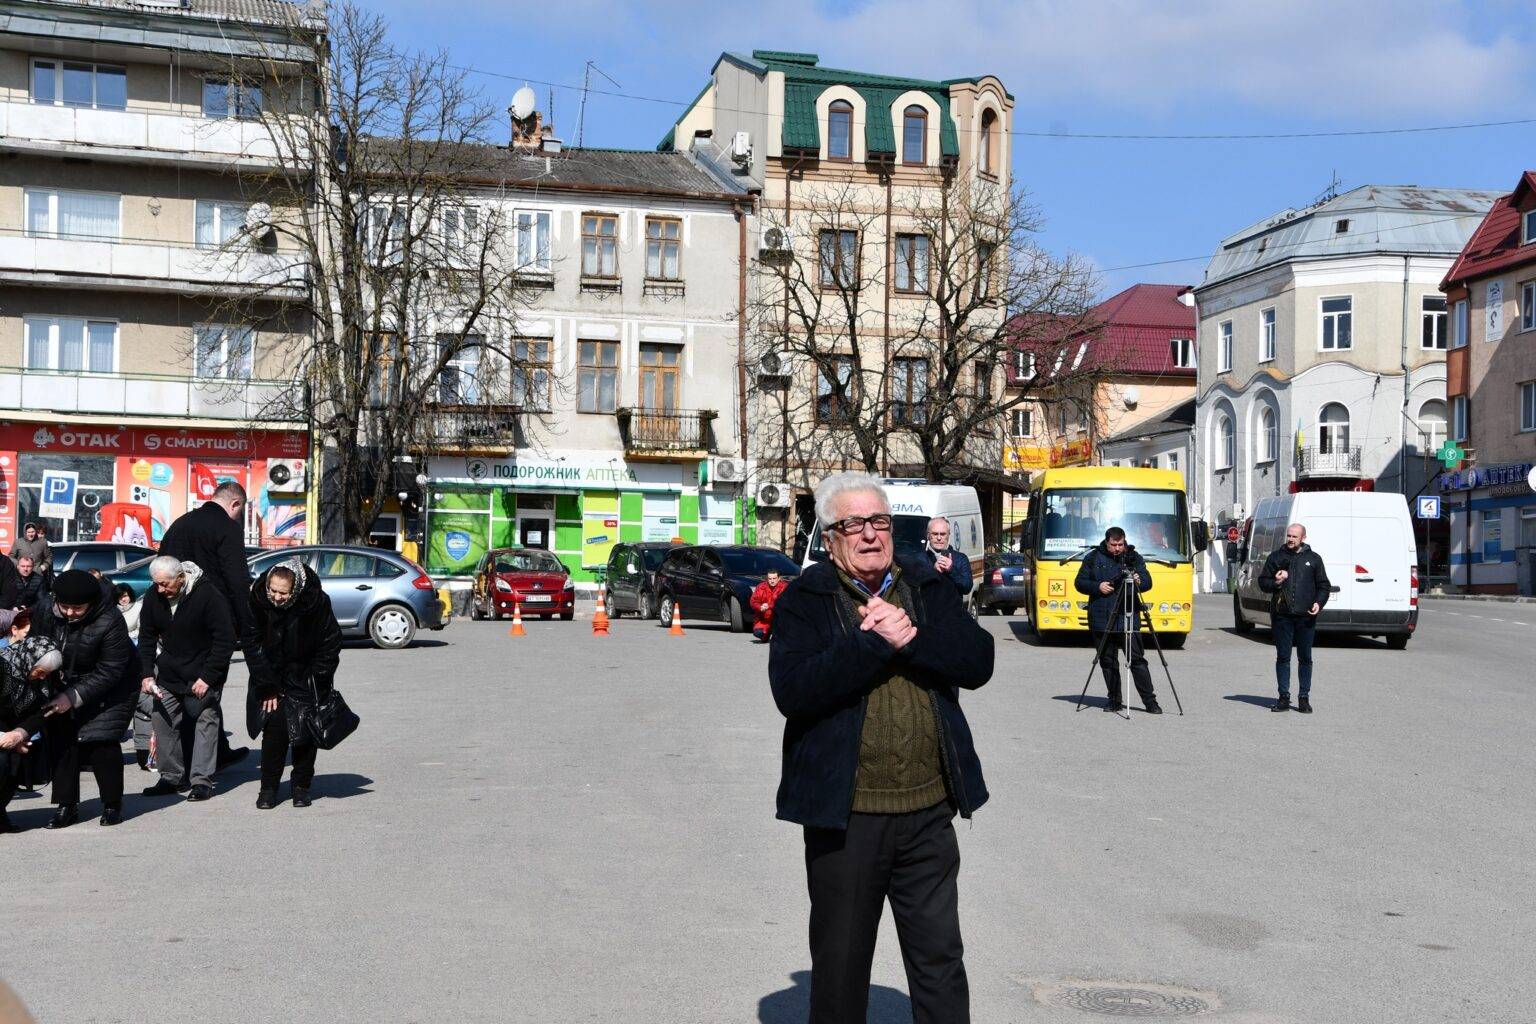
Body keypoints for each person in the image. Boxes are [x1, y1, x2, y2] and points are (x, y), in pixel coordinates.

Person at [769, 471, 994, 1024]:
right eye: (854, 524)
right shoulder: (806, 599)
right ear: (830, 538)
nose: (870, 534)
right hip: (846, 820)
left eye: (880, 521)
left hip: (927, 814)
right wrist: (873, 643)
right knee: (841, 967)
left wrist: (910, 638)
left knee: (940, 962)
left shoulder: (924, 586)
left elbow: (977, 661)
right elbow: (794, 691)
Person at [30, 569, 136, 828]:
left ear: (91, 603)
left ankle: (112, 804)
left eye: (77, 608)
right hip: (61, 678)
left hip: (112, 684)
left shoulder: (110, 619)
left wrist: (72, 697)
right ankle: (66, 806)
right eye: (64, 606)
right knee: (63, 740)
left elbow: (111, 669)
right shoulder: (45, 609)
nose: (70, 613)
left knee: (101, 740)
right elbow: (35, 644)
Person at [158, 482, 251, 770]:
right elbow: (237, 580)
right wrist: (246, 625)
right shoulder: (227, 528)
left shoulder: (179, 524)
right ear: (235, 504)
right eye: (240, 512)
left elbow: (161, 569)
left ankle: (217, 751)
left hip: (176, 620)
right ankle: (198, 763)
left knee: (183, 688)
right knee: (206, 693)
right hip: (214, 622)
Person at [245, 557, 342, 809]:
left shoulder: (316, 602)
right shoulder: (257, 599)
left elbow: (330, 643)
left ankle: (301, 787)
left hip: (306, 676)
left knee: (306, 734)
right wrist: (266, 685)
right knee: (274, 733)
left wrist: (317, 678)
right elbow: (252, 645)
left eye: (283, 593)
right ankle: (268, 789)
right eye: (273, 590)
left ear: (296, 588)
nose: (276, 597)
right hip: (271, 677)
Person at [138, 557, 235, 801]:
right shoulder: (153, 596)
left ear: (181, 578)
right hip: (170, 672)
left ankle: (201, 781)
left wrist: (208, 677)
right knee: (162, 719)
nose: (160, 589)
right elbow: (147, 636)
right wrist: (147, 674)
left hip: (203, 673)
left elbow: (225, 640)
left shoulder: (208, 595)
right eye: (156, 584)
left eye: (165, 584)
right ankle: (172, 777)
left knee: (205, 721)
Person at [1075, 526, 1162, 714]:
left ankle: (1150, 702)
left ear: (1124, 542)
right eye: (1113, 545)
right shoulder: (1093, 557)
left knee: (1137, 660)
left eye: (1120, 544)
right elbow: (1079, 583)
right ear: (1106, 542)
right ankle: (1114, 700)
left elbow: (1148, 582)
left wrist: (1139, 580)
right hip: (1101, 617)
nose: (1117, 548)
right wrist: (1097, 586)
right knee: (1108, 662)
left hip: (1128, 615)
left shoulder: (1133, 557)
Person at [1258, 523, 1331, 714]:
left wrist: (1318, 602)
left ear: (1303, 538)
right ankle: (1283, 697)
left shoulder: (1314, 559)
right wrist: (1276, 582)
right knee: (1283, 657)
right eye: (1288, 536)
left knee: (1305, 658)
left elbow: (1324, 586)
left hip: (1305, 617)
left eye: (1294, 536)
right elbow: (1263, 582)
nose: (1290, 539)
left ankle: (1303, 698)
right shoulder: (1276, 557)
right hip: (1282, 616)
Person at [0, 638, 60, 833]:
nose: (43, 677)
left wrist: (19, 734)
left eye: (46, 674)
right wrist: (3, 737)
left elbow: (43, 712)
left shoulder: (45, 678)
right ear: (28, 660)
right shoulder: (3, 667)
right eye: (40, 671)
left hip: (15, 731)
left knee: (16, 765)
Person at [925, 517, 974, 597]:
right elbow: (914, 588)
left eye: (943, 534)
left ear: (948, 535)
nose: (939, 538)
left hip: (953, 604)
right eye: (935, 534)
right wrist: (933, 572)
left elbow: (966, 588)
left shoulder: (960, 558)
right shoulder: (920, 558)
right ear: (928, 535)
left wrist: (951, 570)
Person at [749, 569, 788, 643]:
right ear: (767, 579)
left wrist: (769, 606)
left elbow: (784, 602)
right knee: (758, 632)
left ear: (779, 578)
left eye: (774, 578)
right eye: (770, 579)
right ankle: (766, 634)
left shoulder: (784, 587)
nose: (772, 581)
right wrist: (760, 607)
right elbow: (753, 601)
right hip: (764, 619)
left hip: (779, 618)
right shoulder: (761, 587)